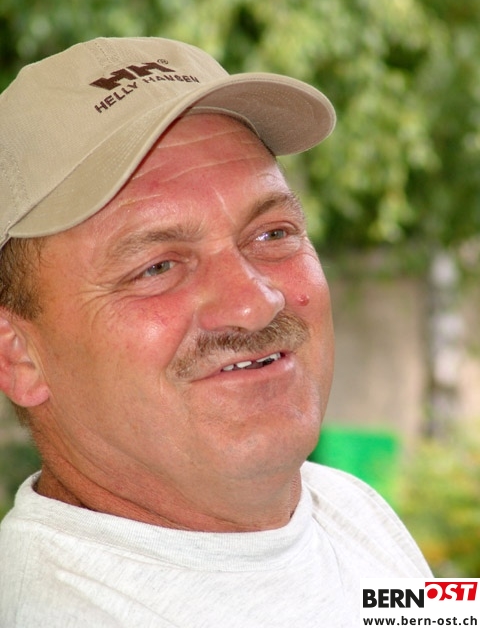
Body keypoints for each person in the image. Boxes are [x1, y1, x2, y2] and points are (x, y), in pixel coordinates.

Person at [0, 37, 430, 627]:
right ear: (19, 356)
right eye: (157, 267)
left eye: (272, 233)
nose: (255, 303)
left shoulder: (346, 509)